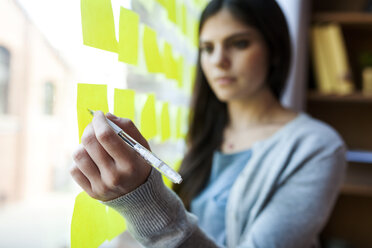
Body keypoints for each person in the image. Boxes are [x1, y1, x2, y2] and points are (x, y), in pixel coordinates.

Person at [70, 0, 347, 247]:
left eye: (239, 43)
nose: (218, 61)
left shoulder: (317, 147)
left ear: (274, 50)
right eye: (207, 48)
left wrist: (143, 203)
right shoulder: (203, 132)